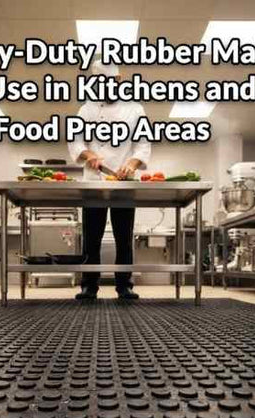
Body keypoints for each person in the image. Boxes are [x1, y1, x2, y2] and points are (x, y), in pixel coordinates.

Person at [68, 60, 151, 300]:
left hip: (123, 181)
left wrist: (132, 164)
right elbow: (76, 141)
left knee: (123, 236)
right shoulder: (86, 109)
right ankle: (89, 285)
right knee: (91, 236)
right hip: (94, 179)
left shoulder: (135, 109)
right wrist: (89, 154)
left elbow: (143, 144)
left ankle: (124, 285)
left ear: (119, 80)